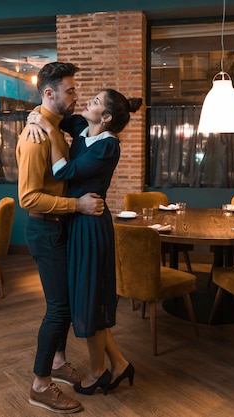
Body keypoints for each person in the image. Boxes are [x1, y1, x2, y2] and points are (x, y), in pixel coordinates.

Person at [26, 89, 141, 396]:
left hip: (90, 226)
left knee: (90, 300)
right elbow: (58, 113)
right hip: (77, 221)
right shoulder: (83, 129)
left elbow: (62, 170)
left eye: (96, 102)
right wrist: (35, 117)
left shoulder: (107, 147)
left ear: (106, 118)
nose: (88, 101)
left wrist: (48, 129)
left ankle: (98, 370)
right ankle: (117, 364)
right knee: (85, 298)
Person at [16, 62, 104, 414]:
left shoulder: (51, 124)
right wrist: (77, 205)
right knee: (59, 309)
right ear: (49, 93)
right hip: (46, 228)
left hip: (59, 226)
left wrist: (35, 114)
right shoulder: (35, 137)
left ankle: (57, 362)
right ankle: (40, 384)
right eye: (70, 90)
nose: (76, 95)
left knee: (64, 303)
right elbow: (27, 197)